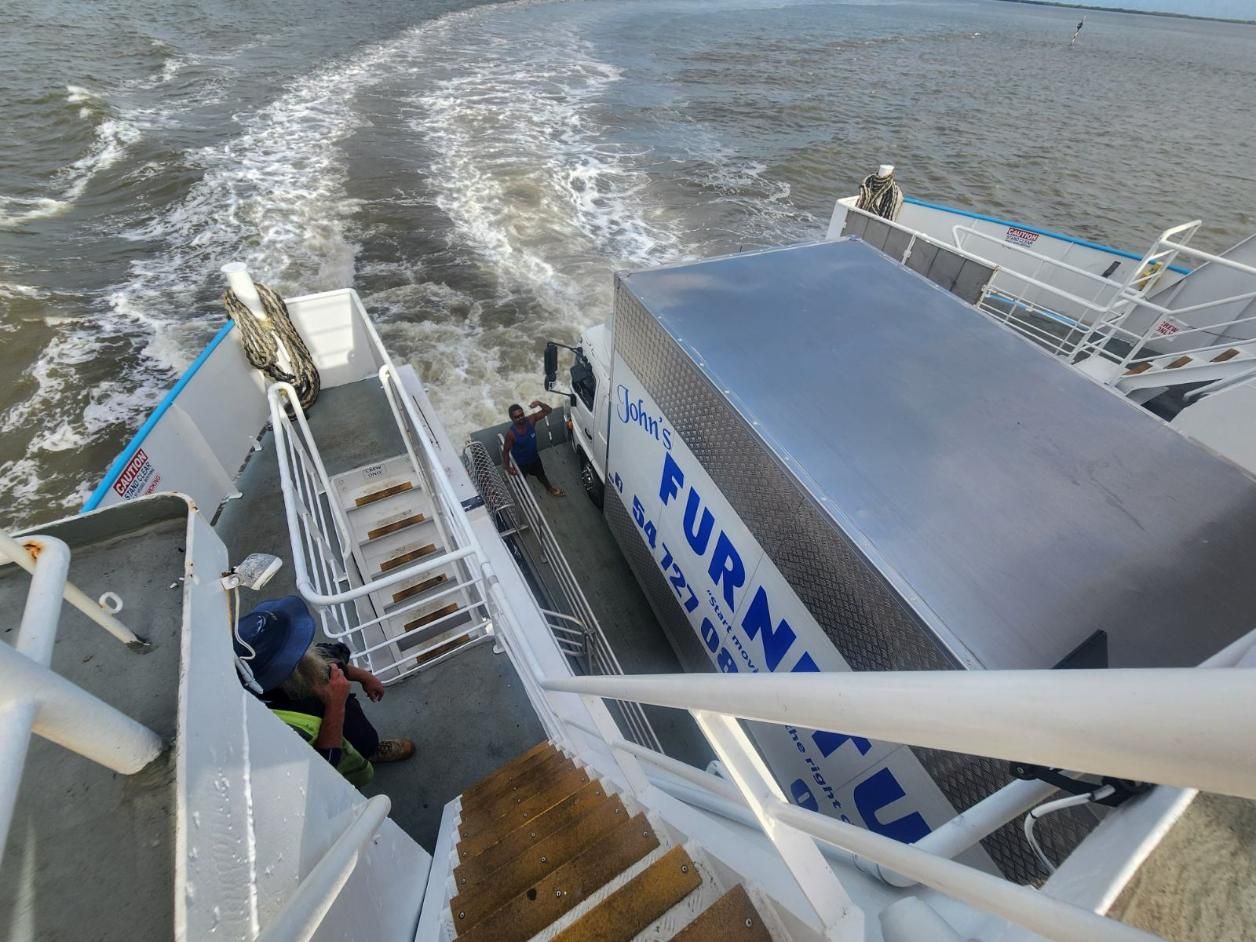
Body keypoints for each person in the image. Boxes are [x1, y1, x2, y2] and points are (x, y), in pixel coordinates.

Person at [233, 596, 415, 786]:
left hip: (351, 720)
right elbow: (322, 765)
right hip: (339, 755)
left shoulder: (303, 660)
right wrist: (335, 706)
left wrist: (364, 676)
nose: (303, 649)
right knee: (353, 762)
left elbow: (328, 660)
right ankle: (366, 756)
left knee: (366, 740)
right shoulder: (271, 722)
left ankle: (372, 750)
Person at [503, 400, 564, 497]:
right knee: (521, 482)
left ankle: (550, 489)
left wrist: (539, 403)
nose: (520, 418)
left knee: (542, 476)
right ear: (512, 419)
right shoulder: (511, 434)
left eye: (521, 415)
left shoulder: (531, 420)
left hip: (535, 459)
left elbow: (548, 410)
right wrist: (507, 467)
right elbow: (505, 451)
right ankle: (522, 497)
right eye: (517, 417)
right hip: (521, 464)